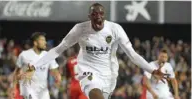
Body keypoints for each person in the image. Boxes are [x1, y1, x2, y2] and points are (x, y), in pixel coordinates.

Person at [26, 3, 167, 99]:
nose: (98, 16)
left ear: (104, 16)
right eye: (95, 14)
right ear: (90, 17)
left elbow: (132, 54)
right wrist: (35, 65)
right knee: (95, 93)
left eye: (101, 13)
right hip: (88, 71)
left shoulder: (115, 29)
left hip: (109, 73)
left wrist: (152, 70)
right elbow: (58, 50)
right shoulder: (80, 29)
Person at [13, 32, 61, 99]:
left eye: (45, 40)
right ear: (35, 43)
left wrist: (58, 79)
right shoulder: (24, 55)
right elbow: (16, 72)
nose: (45, 42)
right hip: (29, 91)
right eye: (42, 40)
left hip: (44, 93)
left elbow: (55, 72)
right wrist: (14, 88)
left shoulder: (48, 56)